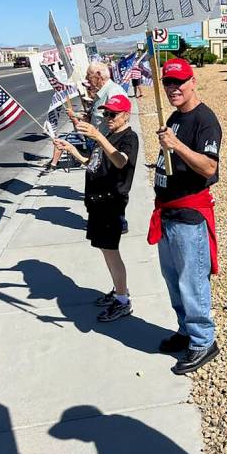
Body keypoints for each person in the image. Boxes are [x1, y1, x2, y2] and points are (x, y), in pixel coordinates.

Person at [147, 57, 222, 375]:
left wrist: (176, 145)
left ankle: (204, 341)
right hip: (167, 213)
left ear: (194, 82)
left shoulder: (205, 120)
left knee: (192, 281)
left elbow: (209, 167)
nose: (173, 88)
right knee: (173, 281)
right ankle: (186, 331)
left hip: (189, 215)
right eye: (167, 83)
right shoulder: (175, 117)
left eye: (179, 82)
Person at [55, 94, 139, 322]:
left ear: (126, 115)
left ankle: (123, 300)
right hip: (96, 202)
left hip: (111, 203)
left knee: (112, 252)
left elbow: (121, 161)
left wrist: (98, 135)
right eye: (106, 113)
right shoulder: (110, 134)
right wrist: (71, 150)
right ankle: (118, 290)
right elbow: (92, 163)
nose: (108, 117)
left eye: (113, 114)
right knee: (105, 250)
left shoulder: (128, 138)